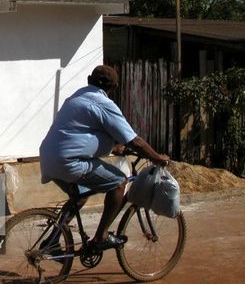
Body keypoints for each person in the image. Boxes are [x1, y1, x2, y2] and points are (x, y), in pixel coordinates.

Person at [39, 64, 170, 250]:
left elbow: (83, 132)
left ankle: (52, 239)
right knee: (118, 184)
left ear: (89, 80)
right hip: (70, 162)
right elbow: (135, 141)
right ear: (113, 88)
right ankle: (101, 236)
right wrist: (157, 157)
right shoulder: (104, 103)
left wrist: (114, 147)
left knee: (80, 196)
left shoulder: (76, 97)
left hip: (48, 157)